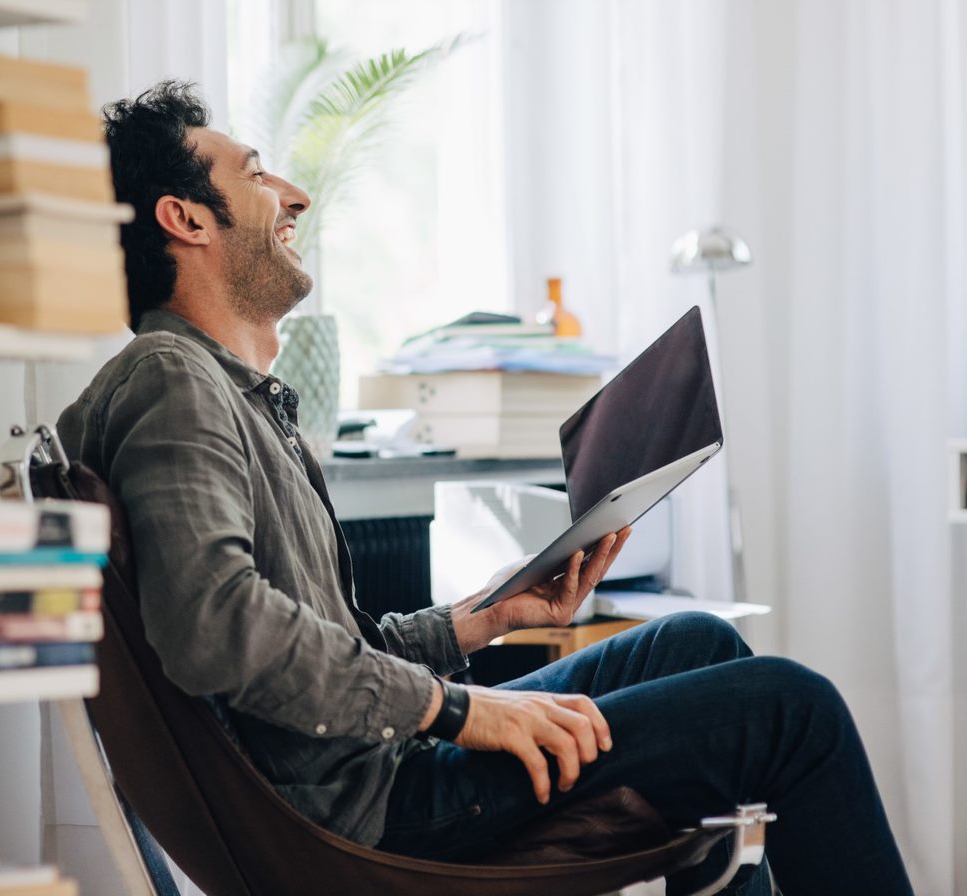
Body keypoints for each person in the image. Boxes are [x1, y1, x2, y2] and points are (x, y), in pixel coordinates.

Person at [55, 81, 913, 895]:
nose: (293, 195)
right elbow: (218, 630)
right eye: (253, 172)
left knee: (693, 642)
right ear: (185, 218)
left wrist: (486, 619)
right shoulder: (172, 380)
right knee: (793, 709)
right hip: (375, 812)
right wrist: (458, 710)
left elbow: (324, 643)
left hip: (375, 766)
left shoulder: (221, 391)